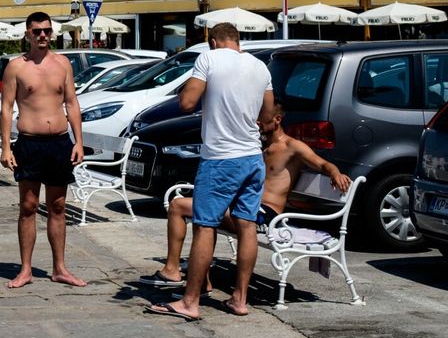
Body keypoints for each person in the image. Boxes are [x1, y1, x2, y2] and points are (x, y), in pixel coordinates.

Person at [142, 100, 352, 301]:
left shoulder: (292, 146)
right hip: (246, 207)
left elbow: (322, 163)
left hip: (266, 215)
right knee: (192, 208)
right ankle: (196, 280)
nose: (257, 122)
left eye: (261, 118)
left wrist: (336, 173)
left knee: (183, 207)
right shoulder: (257, 146)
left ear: (277, 119)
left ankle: (176, 272)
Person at [149, 23, 274, 322]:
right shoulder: (260, 67)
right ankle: (239, 299)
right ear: (238, 41)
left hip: (220, 158)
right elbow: (268, 117)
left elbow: (187, 102)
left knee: (205, 225)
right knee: (246, 226)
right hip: (252, 157)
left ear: (213, 42)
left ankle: (190, 301)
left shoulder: (208, 58)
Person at [0, 11, 86, 288]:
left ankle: (60, 267)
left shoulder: (63, 64)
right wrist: (5, 147)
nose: (43, 35)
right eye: (37, 31)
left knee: (58, 206)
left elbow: (72, 103)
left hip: (59, 142)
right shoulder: (16, 67)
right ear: (27, 34)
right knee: (28, 206)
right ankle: (25, 269)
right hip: (29, 142)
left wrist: (79, 142)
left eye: (47, 30)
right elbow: (6, 107)